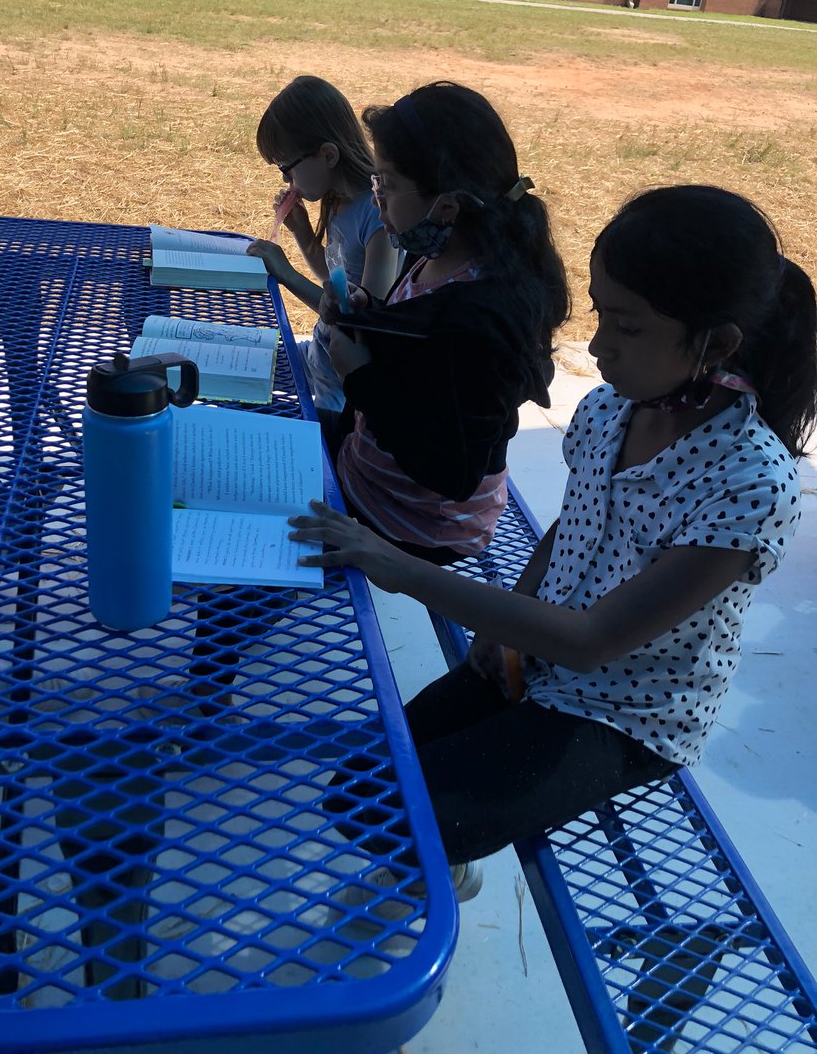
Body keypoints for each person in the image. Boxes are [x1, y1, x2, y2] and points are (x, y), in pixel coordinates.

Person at [289, 184, 817, 897]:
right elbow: (577, 525)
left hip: (625, 710)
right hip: (539, 653)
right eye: (601, 312)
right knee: (356, 787)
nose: (598, 346)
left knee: (394, 813)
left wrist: (397, 565)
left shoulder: (752, 484)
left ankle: (439, 866)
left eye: (627, 327)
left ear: (716, 343)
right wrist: (517, 608)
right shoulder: (608, 411)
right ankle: (445, 851)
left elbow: (594, 641)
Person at [318, 81, 571, 565]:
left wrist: (359, 378)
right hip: (370, 472)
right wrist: (371, 314)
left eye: (387, 186)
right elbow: (421, 350)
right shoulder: (439, 254)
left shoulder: (483, 319)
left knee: (255, 535)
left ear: (448, 205)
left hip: (414, 523)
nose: (377, 202)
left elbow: (454, 468)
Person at [247, 75, 400, 417]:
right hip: (321, 355)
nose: (287, 182)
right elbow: (336, 279)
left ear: (327, 154)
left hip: (343, 394)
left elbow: (363, 322)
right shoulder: (337, 198)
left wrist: (286, 274)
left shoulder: (379, 217)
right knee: (240, 365)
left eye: (287, 169)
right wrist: (302, 231)